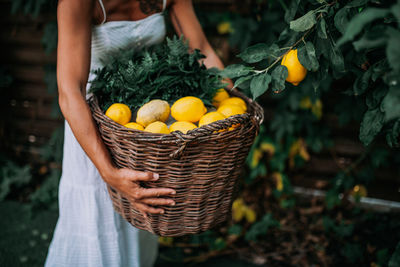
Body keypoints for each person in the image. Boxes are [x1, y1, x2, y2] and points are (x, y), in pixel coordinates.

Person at [45, 0, 229, 266]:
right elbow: (70, 91)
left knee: (142, 214)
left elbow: (202, 49)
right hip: (93, 126)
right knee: (95, 223)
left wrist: (233, 109)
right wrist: (108, 172)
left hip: (146, 127)